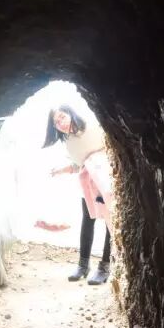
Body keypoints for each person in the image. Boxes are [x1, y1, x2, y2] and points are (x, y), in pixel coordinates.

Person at [35, 105, 114, 285]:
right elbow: (79, 164)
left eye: (62, 117)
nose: (60, 123)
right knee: (87, 219)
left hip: (106, 178)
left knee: (110, 221)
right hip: (89, 182)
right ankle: (83, 265)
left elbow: (111, 146)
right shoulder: (69, 143)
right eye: (56, 122)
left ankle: (104, 267)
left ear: (71, 114)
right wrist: (62, 170)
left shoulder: (93, 126)